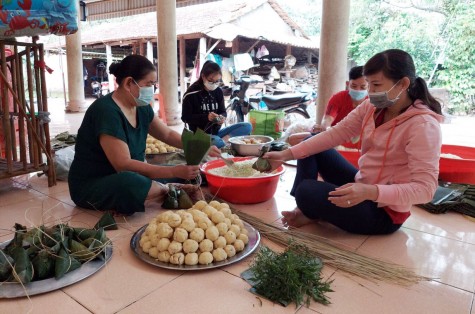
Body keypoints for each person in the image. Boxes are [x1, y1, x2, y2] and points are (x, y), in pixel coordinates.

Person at [264, 49, 443, 235]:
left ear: (403, 84)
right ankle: (307, 210)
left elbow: (426, 189)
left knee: (306, 191)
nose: (371, 92)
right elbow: (336, 133)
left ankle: (310, 206)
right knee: (311, 145)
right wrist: (285, 154)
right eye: (369, 85)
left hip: (384, 212)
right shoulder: (372, 106)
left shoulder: (423, 125)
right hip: (363, 184)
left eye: (376, 85)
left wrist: (370, 192)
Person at [68, 55, 220, 215]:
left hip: (134, 173)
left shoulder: (140, 106)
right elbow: (123, 164)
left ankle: (161, 189)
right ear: (128, 83)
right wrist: (173, 172)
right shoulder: (106, 111)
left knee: (189, 173)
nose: (152, 89)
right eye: (149, 84)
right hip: (96, 183)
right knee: (133, 183)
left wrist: (201, 146)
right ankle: (167, 190)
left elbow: (167, 134)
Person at [288, 66, 368, 146]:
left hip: (360, 143)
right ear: (347, 84)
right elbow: (328, 118)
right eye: (354, 86)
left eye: (363, 87)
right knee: (293, 139)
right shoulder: (339, 97)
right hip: (335, 139)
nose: (358, 90)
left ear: (369, 86)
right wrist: (324, 127)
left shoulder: (372, 103)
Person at [181, 60, 252, 148]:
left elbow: (222, 111)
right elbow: (185, 118)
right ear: (203, 76)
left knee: (247, 126)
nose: (214, 84)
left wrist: (221, 117)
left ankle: (225, 141)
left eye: (217, 81)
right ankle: (223, 142)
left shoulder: (218, 92)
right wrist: (206, 117)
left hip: (216, 133)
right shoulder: (191, 94)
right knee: (217, 142)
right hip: (199, 135)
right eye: (211, 80)